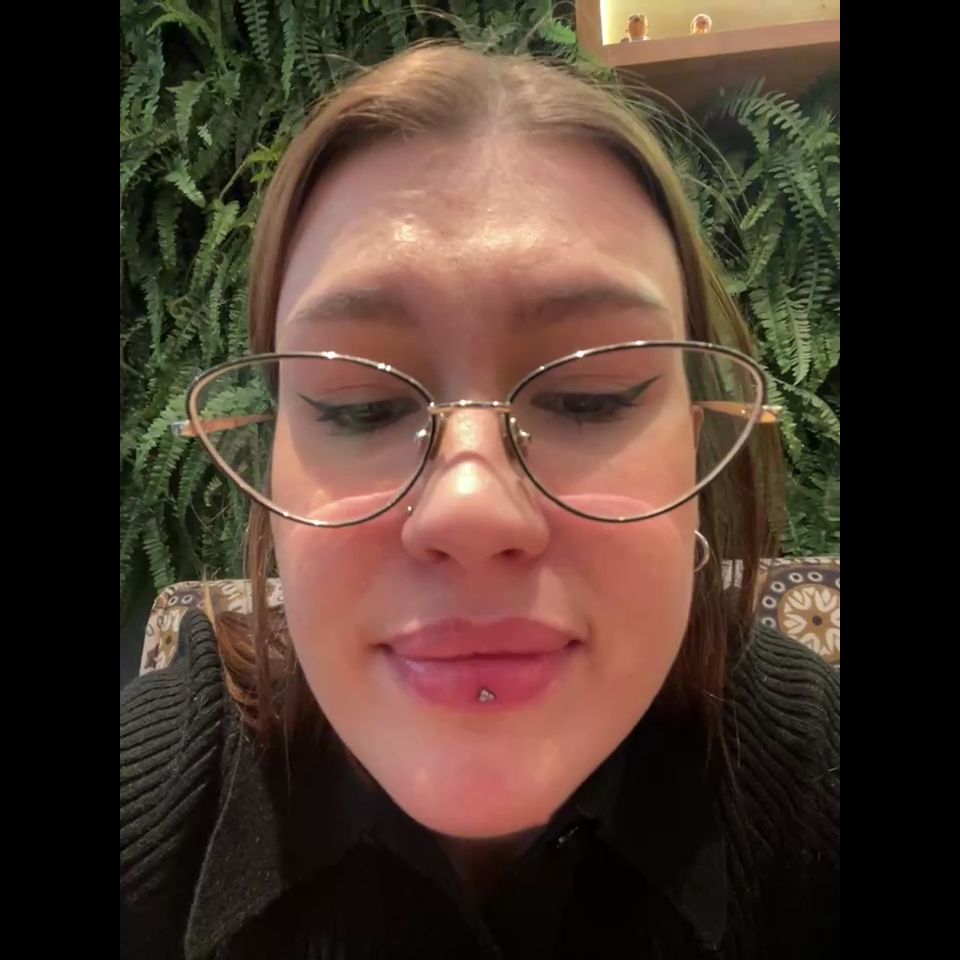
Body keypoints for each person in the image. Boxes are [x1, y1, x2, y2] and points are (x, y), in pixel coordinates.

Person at [121, 42, 839, 959]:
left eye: (591, 398)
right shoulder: (152, 802)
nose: (470, 508)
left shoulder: (811, 776)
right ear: (273, 465)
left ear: (695, 446)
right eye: (360, 406)